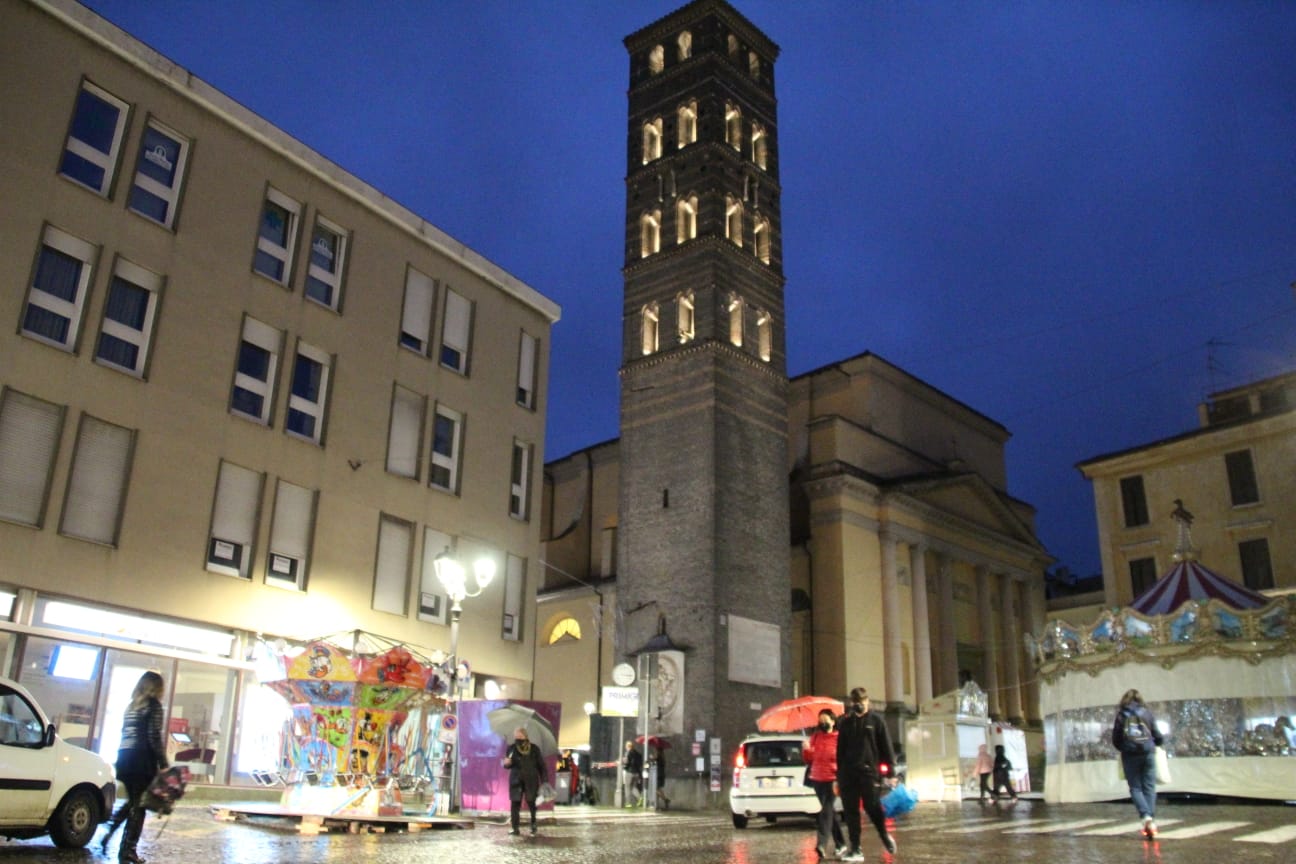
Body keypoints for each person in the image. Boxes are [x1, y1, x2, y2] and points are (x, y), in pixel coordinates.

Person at [100, 671, 168, 864]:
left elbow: (125, 733)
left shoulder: (132, 706)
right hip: (142, 761)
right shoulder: (153, 706)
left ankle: (110, 831)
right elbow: (153, 736)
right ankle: (128, 851)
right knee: (139, 806)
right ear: (157, 687)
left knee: (133, 801)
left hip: (126, 758)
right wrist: (163, 764)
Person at [835, 687, 897, 860]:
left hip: (869, 773)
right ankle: (855, 849)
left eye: (861, 702)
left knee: (872, 807)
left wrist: (891, 772)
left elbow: (886, 746)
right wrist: (838, 777)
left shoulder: (877, 721)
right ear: (851, 703)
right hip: (848, 774)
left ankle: (884, 835)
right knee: (851, 812)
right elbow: (840, 751)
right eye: (855, 703)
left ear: (867, 702)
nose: (859, 705)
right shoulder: (846, 723)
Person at [1112, 688, 1165, 839]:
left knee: (1135, 787)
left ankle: (1145, 816)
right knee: (1149, 786)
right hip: (1148, 752)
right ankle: (1151, 819)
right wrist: (1158, 743)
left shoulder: (1122, 715)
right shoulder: (1147, 713)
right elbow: (1157, 734)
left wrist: (1123, 748)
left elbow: (1116, 738)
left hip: (1130, 754)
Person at [803, 708, 847, 860]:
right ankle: (841, 843)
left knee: (825, 811)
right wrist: (807, 750)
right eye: (820, 721)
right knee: (829, 813)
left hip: (833, 779)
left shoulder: (839, 738)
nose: (822, 724)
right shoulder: (816, 737)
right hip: (817, 779)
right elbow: (809, 759)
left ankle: (821, 843)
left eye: (825, 721)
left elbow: (844, 759)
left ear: (833, 722)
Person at [503, 727, 547, 835]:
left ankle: (533, 824)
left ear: (525, 736)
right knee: (515, 803)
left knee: (531, 802)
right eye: (516, 736)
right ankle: (515, 827)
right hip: (515, 779)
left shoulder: (534, 749)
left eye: (520, 736)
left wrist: (544, 780)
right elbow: (507, 765)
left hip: (531, 779)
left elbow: (541, 766)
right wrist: (506, 763)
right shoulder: (512, 748)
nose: (517, 738)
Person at [621, 740, 643, 807]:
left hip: (629, 772)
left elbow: (626, 762)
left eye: (626, 746)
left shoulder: (628, 753)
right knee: (633, 787)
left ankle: (628, 803)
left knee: (627, 787)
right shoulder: (637, 753)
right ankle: (640, 798)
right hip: (636, 773)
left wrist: (622, 761)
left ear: (627, 746)